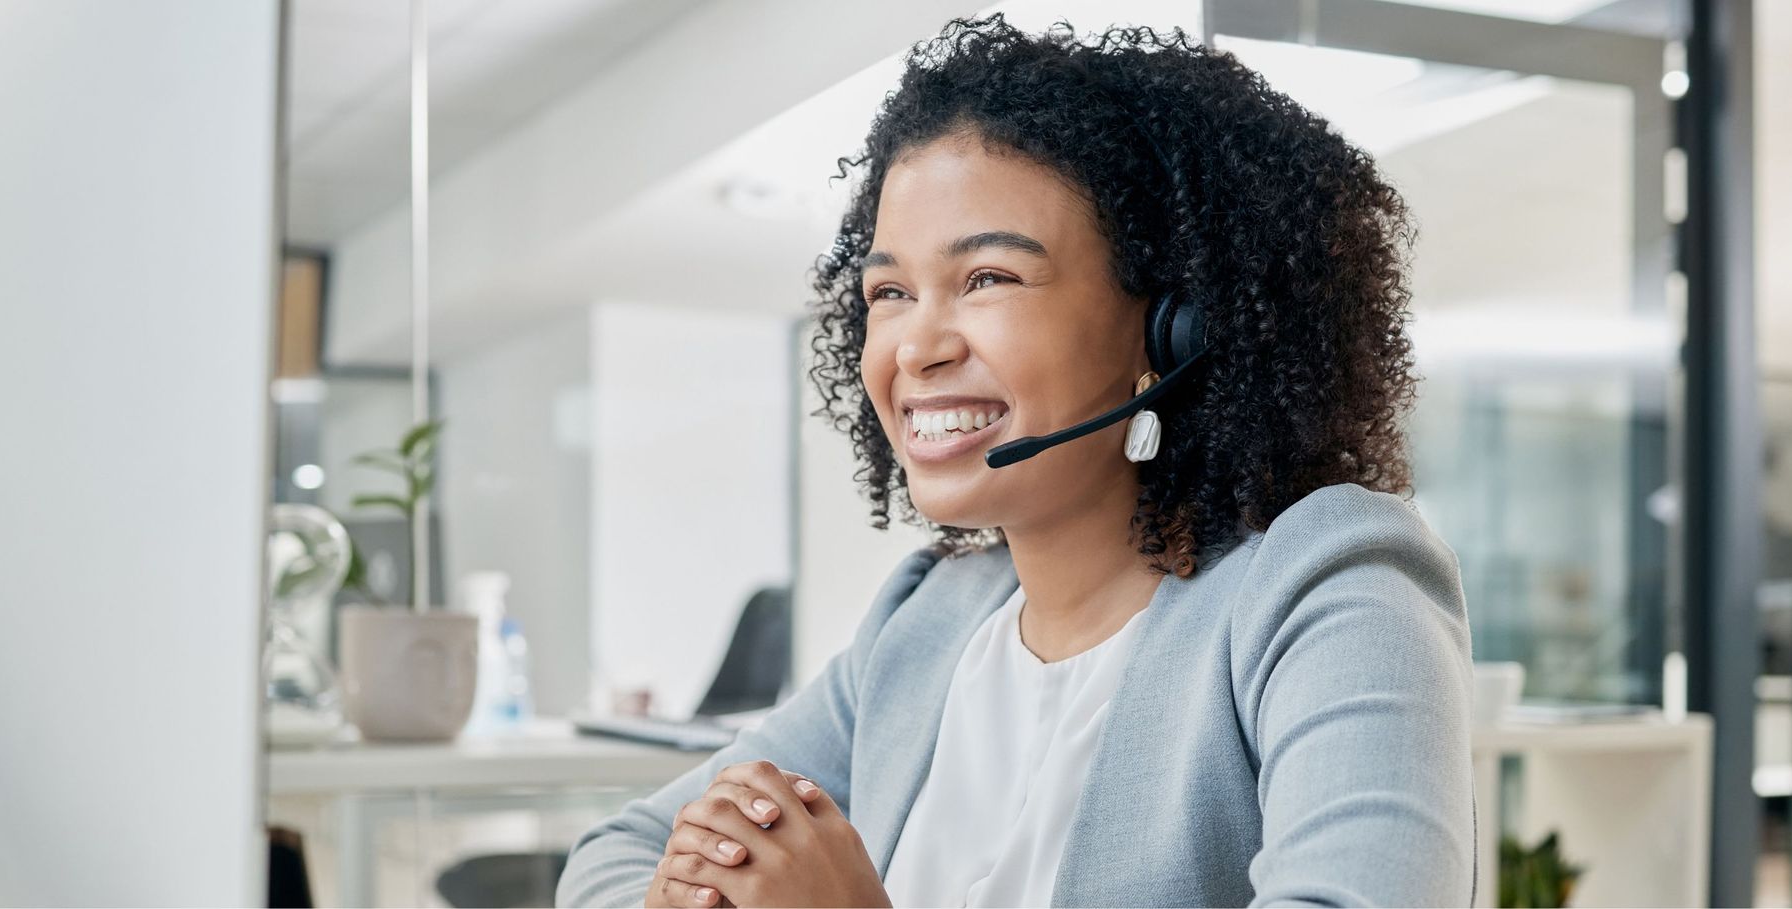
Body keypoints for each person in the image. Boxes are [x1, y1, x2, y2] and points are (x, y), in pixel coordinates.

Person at [558, 14, 1474, 908]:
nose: (915, 347)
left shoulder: (1329, 588)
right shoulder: (926, 624)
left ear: (1173, 328)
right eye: (889, 291)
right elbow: (619, 852)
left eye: (988, 277)